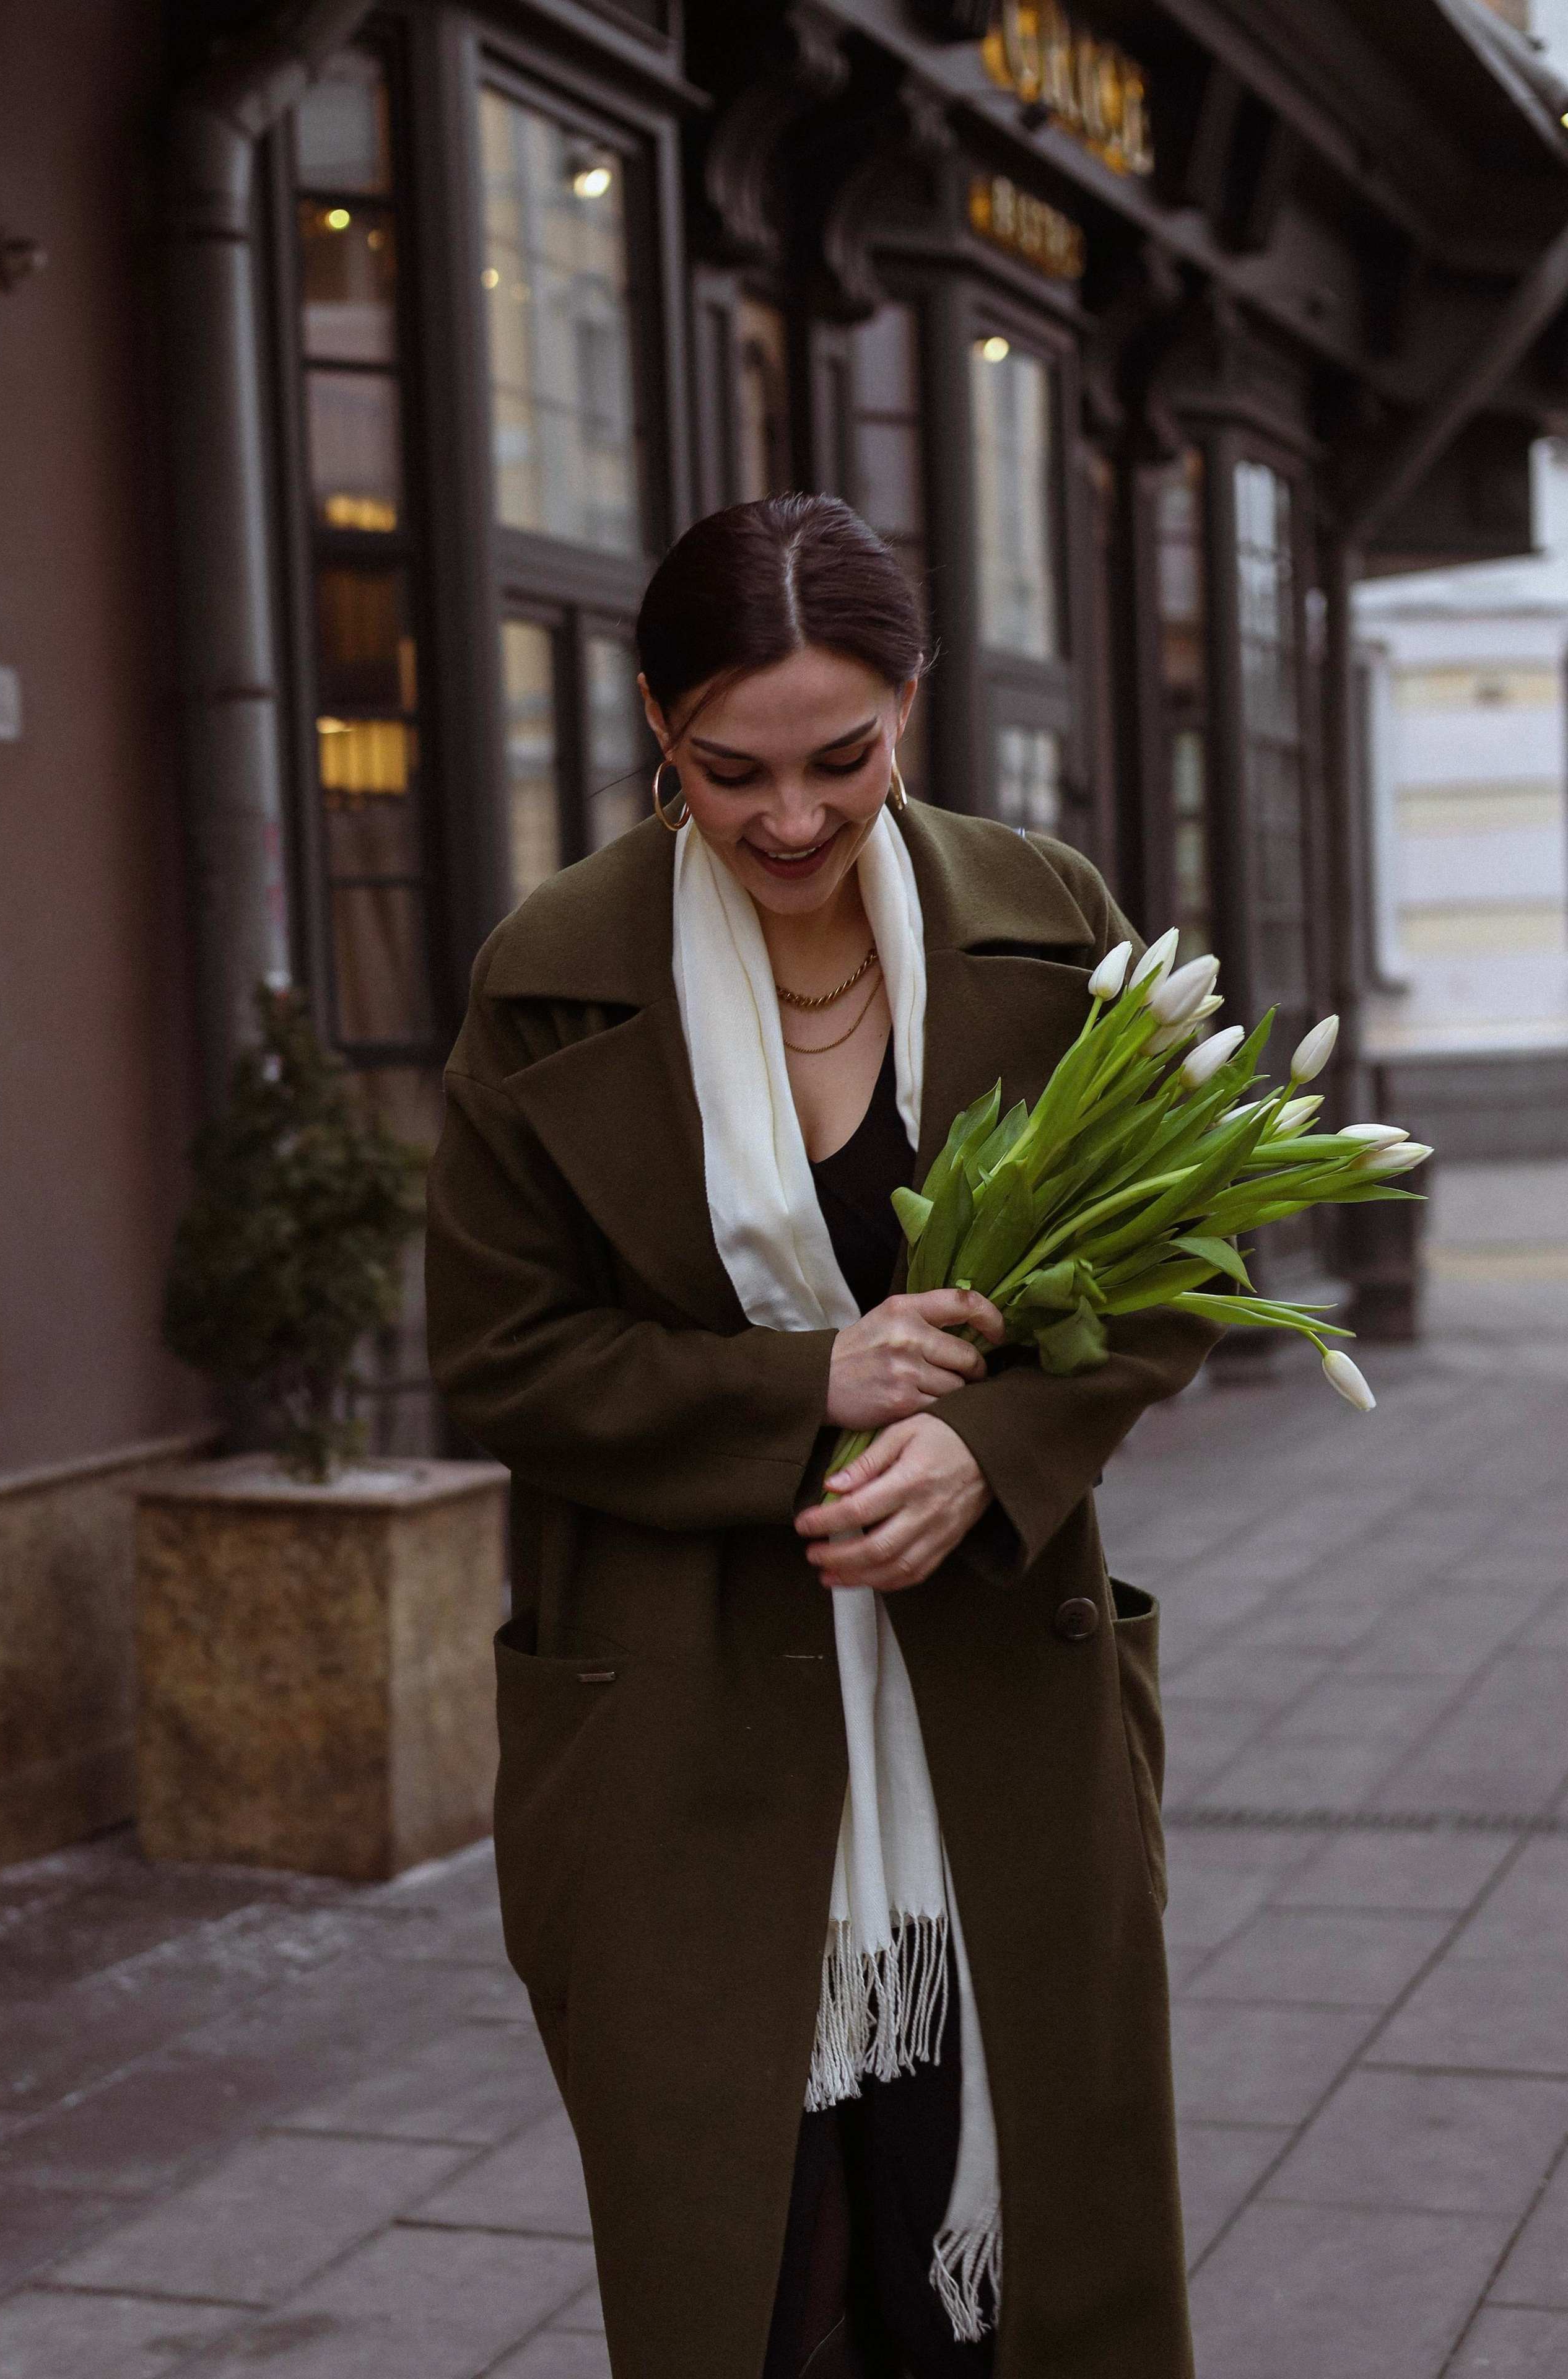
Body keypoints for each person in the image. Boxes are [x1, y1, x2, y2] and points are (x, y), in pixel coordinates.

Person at [426, 494, 1220, 2379]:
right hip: (674, 1715)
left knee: (996, 2278)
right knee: (753, 2288)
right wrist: (813, 1392)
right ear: (651, 721)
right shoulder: (550, 970)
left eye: (840, 760)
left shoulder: (1052, 925)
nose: (789, 816)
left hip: (994, 1715)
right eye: (731, 769)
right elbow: (500, 1353)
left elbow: (1189, 1260)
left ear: (911, 710)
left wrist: (995, 1449)